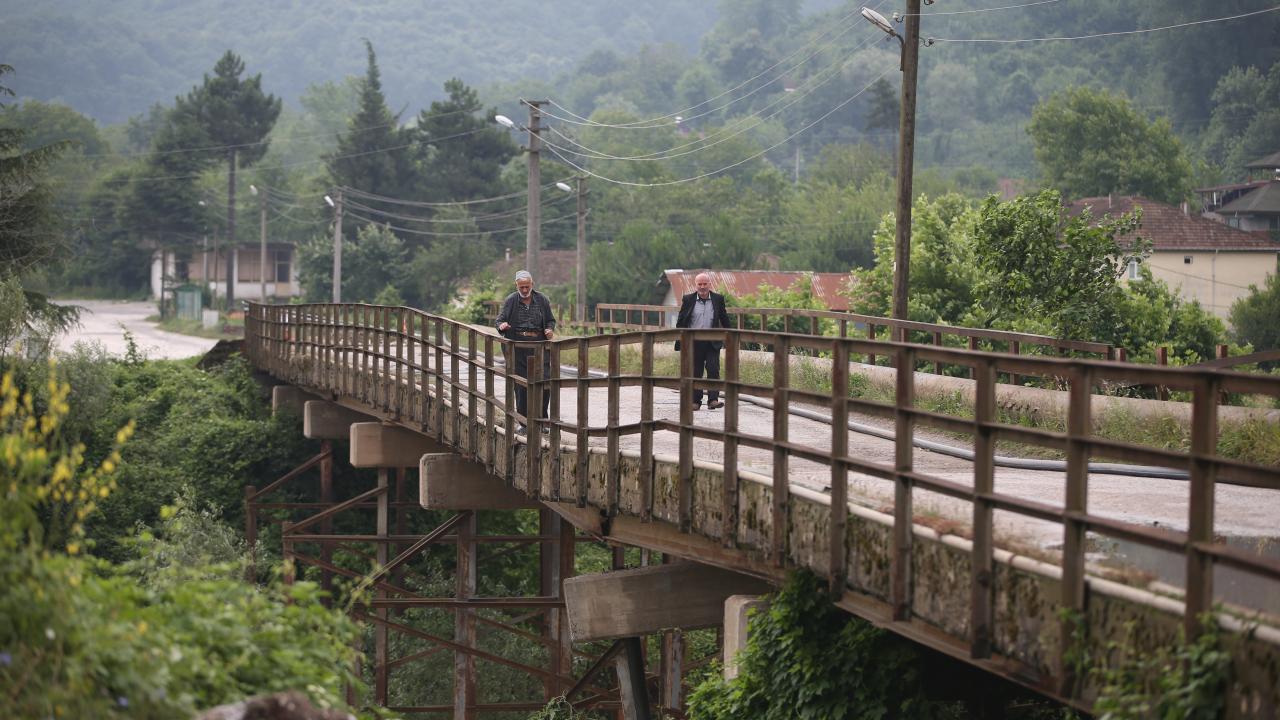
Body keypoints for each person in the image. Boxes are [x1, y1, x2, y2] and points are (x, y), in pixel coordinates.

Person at [496, 270, 555, 433]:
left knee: (544, 383)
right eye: (521, 287)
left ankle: (542, 421)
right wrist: (502, 326)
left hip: (539, 346)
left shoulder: (542, 299)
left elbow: (550, 320)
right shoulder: (511, 301)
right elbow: (499, 320)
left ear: (532, 285)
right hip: (518, 348)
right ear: (516, 285)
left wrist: (549, 329)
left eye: (526, 286)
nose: (524, 290)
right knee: (522, 386)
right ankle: (523, 423)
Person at [675, 272, 731, 410]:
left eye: (705, 284)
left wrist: (730, 335)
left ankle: (713, 400)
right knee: (696, 371)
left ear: (709, 284)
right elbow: (681, 320)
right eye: (699, 284)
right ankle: (695, 401)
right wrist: (681, 339)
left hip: (712, 340)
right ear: (696, 285)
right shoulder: (688, 299)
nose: (702, 287)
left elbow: (724, 319)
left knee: (713, 369)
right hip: (694, 341)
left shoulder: (718, 299)